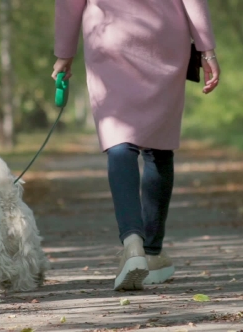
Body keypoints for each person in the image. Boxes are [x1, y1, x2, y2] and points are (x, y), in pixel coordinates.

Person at [52, 0, 220, 291]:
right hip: (164, 36)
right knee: (159, 144)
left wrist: (64, 54)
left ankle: (132, 245)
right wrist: (207, 48)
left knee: (119, 141)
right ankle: (153, 253)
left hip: (108, 35)